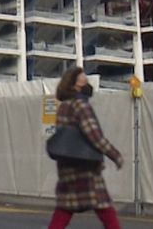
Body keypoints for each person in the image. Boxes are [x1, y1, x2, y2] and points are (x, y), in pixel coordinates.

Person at [48, 66, 124, 229]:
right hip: (85, 167)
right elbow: (94, 135)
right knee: (104, 207)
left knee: (65, 208)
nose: (86, 78)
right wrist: (115, 155)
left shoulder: (64, 106)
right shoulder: (81, 105)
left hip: (67, 165)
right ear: (75, 84)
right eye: (82, 77)